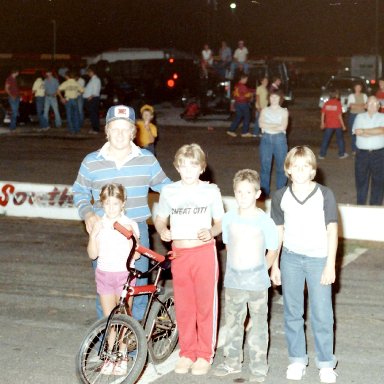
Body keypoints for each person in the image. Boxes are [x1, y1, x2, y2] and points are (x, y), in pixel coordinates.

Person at [72, 104, 171, 321]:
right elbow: (79, 191)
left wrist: (193, 190)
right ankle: (107, 348)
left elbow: (167, 187)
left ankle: (134, 349)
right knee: (106, 293)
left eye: (125, 128)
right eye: (114, 128)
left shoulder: (147, 159)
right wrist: (88, 213)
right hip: (104, 233)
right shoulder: (91, 161)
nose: (119, 134)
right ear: (106, 130)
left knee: (138, 289)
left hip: (137, 233)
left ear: (133, 132)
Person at [154, 143, 224, 376]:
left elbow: (221, 222)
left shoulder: (211, 191)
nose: (188, 171)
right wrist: (163, 229)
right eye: (183, 166)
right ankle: (187, 352)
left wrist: (212, 232)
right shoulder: (169, 191)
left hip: (203, 252)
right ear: (177, 167)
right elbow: (160, 218)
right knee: (184, 306)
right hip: (180, 254)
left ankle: (204, 354)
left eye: (193, 165)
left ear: (201, 168)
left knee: (205, 305)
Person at [270, 146, 338, 384]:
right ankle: (297, 359)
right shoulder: (280, 197)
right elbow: (277, 233)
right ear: (288, 169)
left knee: (322, 313)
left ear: (312, 170)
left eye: (305, 167)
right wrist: (275, 265)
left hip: (318, 259)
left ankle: (326, 363)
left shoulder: (325, 194)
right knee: (292, 312)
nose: (300, 171)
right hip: (291, 259)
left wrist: (330, 265)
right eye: (295, 166)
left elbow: (332, 230)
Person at [213, 169, 278, 383]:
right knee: (233, 322)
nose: (243, 196)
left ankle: (258, 366)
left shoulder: (264, 220)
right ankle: (232, 362)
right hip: (234, 280)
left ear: (258, 194)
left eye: (248, 192)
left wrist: (263, 271)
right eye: (239, 192)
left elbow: (273, 249)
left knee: (259, 325)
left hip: (257, 282)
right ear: (234, 192)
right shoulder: (229, 218)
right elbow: (229, 245)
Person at [87, 183, 140, 376]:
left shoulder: (129, 225)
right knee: (109, 319)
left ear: (123, 204)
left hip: (124, 276)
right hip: (104, 274)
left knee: (124, 317)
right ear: (102, 204)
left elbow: (136, 255)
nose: (111, 208)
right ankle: (111, 355)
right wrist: (93, 235)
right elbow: (93, 254)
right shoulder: (99, 225)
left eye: (115, 204)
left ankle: (123, 354)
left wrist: (130, 239)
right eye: (107, 204)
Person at [352, 96, 384, 205]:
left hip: (379, 154)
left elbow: (382, 130)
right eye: (370, 103)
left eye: (375, 103)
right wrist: (376, 132)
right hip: (362, 154)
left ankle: (374, 208)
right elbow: (357, 132)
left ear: (379, 106)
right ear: (365, 106)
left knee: (379, 183)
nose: (372, 106)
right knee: (361, 182)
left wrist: (364, 131)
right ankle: (361, 207)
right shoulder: (359, 117)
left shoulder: (382, 117)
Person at [259, 90, 288, 198]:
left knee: (281, 166)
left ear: (280, 99)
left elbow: (283, 127)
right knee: (265, 166)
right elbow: (261, 124)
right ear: (269, 98)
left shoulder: (284, 111)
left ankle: (280, 192)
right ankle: (264, 192)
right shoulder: (264, 110)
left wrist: (268, 125)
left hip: (279, 140)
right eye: (272, 97)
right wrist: (275, 125)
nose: (274, 99)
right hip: (266, 139)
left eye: (276, 97)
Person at [319, 89, 348, 159]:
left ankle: (321, 155)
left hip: (328, 125)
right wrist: (343, 125)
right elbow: (339, 116)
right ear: (336, 95)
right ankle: (341, 154)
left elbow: (323, 114)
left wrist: (322, 123)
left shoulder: (326, 103)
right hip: (337, 125)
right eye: (338, 94)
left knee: (326, 139)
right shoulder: (338, 103)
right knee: (340, 139)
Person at [227, 73, 254, 138]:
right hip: (243, 103)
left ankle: (231, 130)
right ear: (242, 79)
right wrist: (251, 94)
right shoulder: (243, 86)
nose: (246, 80)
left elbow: (245, 91)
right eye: (246, 79)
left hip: (237, 103)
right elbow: (247, 94)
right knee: (247, 117)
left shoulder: (237, 85)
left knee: (238, 117)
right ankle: (244, 132)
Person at [58, 70, 84, 135]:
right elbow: (82, 91)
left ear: (67, 76)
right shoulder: (76, 83)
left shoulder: (66, 83)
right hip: (75, 100)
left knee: (69, 116)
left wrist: (62, 98)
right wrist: (76, 92)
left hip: (68, 100)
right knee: (76, 115)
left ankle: (72, 131)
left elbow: (58, 91)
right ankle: (77, 130)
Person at [347, 82, 367, 154]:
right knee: (354, 132)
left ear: (361, 88)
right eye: (357, 87)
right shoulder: (351, 96)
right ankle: (354, 149)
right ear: (354, 88)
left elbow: (366, 106)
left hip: (363, 116)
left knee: (363, 131)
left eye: (359, 87)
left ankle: (362, 148)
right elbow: (351, 106)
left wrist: (356, 105)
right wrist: (361, 105)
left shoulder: (364, 95)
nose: (358, 88)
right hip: (353, 116)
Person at [83, 65, 101, 134]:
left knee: (94, 114)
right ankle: (94, 128)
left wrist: (90, 97)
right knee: (92, 115)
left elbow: (95, 91)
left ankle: (96, 129)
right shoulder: (92, 79)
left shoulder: (96, 80)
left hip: (92, 99)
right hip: (91, 99)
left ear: (92, 72)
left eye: (88, 72)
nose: (88, 73)